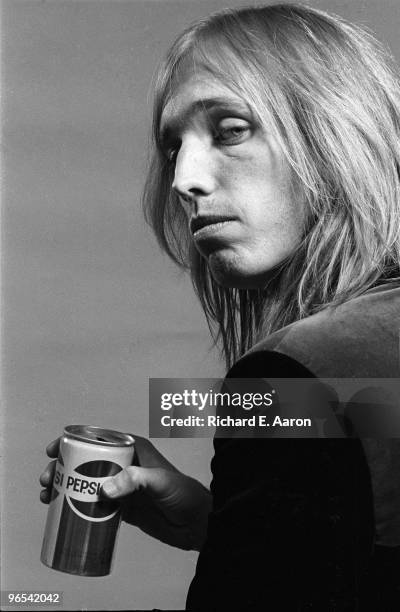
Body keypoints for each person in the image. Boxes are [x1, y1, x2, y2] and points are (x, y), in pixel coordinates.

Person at [40, 3, 400, 610]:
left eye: (230, 129)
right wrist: (230, 524)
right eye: (173, 146)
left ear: (337, 131)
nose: (183, 179)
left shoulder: (294, 375)